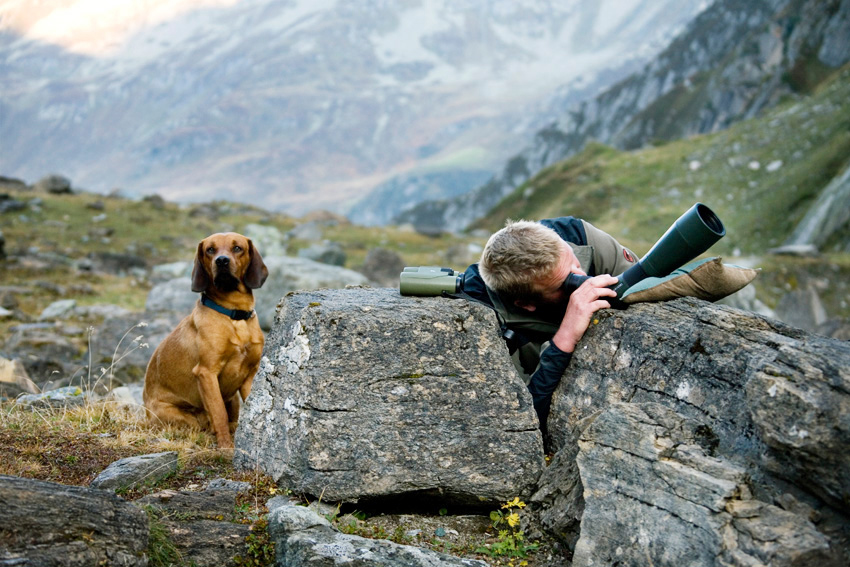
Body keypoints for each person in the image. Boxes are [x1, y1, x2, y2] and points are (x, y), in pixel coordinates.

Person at [461, 216, 639, 430]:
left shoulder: (578, 237)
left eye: (576, 263)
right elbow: (523, 420)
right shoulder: (483, 322)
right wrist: (565, 337)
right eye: (568, 282)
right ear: (526, 304)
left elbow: (648, 287)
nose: (583, 277)